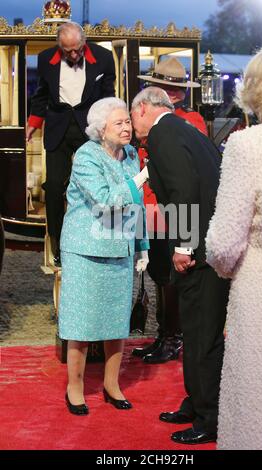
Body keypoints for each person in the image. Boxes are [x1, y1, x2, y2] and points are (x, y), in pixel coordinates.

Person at [131, 87, 229, 444]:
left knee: (203, 335)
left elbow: (184, 189)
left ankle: (209, 418)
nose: (132, 125)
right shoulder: (186, 130)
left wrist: (184, 246)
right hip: (210, 247)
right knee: (196, 330)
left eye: (131, 116)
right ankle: (196, 402)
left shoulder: (163, 134)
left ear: (143, 109)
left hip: (199, 253)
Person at [206, 42, 262, 450]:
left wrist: (222, 267)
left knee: (258, 411)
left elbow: (223, 245)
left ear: (256, 88)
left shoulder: (247, 146)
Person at [58, 97, 149, 415]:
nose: (127, 128)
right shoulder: (86, 156)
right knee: (81, 325)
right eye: (119, 123)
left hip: (119, 249)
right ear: (101, 129)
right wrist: (140, 179)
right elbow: (107, 201)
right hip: (85, 249)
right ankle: (76, 388)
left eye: (128, 121)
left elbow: (134, 207)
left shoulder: (132, 155)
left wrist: (142, 246)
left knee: (115, 323)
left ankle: (112, 385)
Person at [132, 57, 208, 364]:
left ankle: (174, 337)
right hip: (151, 204)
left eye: (175, 89)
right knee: (159, 274)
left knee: (172, 276)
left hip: (174, 207)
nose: (172, 94)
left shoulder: (189, 121)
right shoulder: (159, 120)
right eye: (167, 88)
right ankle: (165, 334)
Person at [26, 22, 116, 265]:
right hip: (59, 128)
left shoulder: (104, 58)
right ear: (59, 46)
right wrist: (33, 123)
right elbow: (41, 95)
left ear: (84, 42)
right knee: (54, 187)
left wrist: (111, 128)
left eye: (77, 49)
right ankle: (57, 242)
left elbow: (109, 97)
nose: (74, 55)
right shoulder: (45, 59)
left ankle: (98, 238)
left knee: (95, 186)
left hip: (90, 128)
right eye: (68, 51)